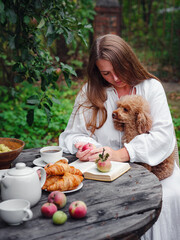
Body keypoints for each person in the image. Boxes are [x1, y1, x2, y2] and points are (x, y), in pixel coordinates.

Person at [59, 34, 180, 239]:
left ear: (129, 60)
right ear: (98, 71)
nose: (115, 78)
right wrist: (87, 147)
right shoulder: (91, 91)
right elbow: (73, 133)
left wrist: (121, 154)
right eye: (106, 73)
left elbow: (163, 137)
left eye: (119, 69)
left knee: (166, 197)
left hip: (155, 172)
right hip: (106, 174)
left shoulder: (151, 87)